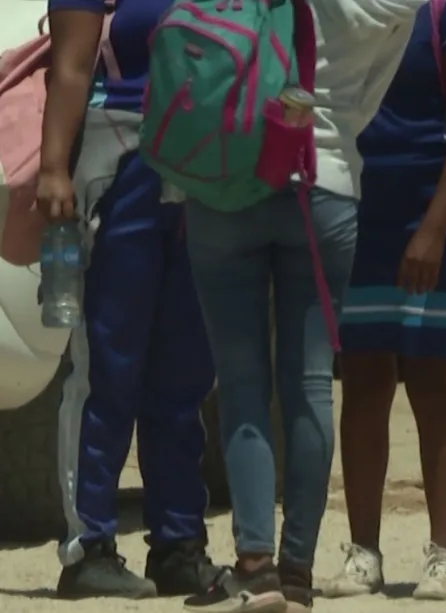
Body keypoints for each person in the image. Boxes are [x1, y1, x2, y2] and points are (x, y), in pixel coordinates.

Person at [177, 0, 429, 611]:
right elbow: (367, 99)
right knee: (310, 381)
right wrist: (329, 126)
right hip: (325, 180)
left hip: (226, 174)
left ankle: (255, 564)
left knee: (241, 381)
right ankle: (296, 569)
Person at [38, 0, 220, 600]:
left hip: (198, 167)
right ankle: (87, 546)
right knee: (109, 367)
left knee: (183, 372)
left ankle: (178, 544)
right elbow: (69, 67)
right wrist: (53, 168)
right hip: (120, 167)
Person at [320, 0, 446, 602]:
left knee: (434, 382)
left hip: (432, 200)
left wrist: (435, 231)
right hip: (356, 201)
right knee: (363, 380)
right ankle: (362, 553)